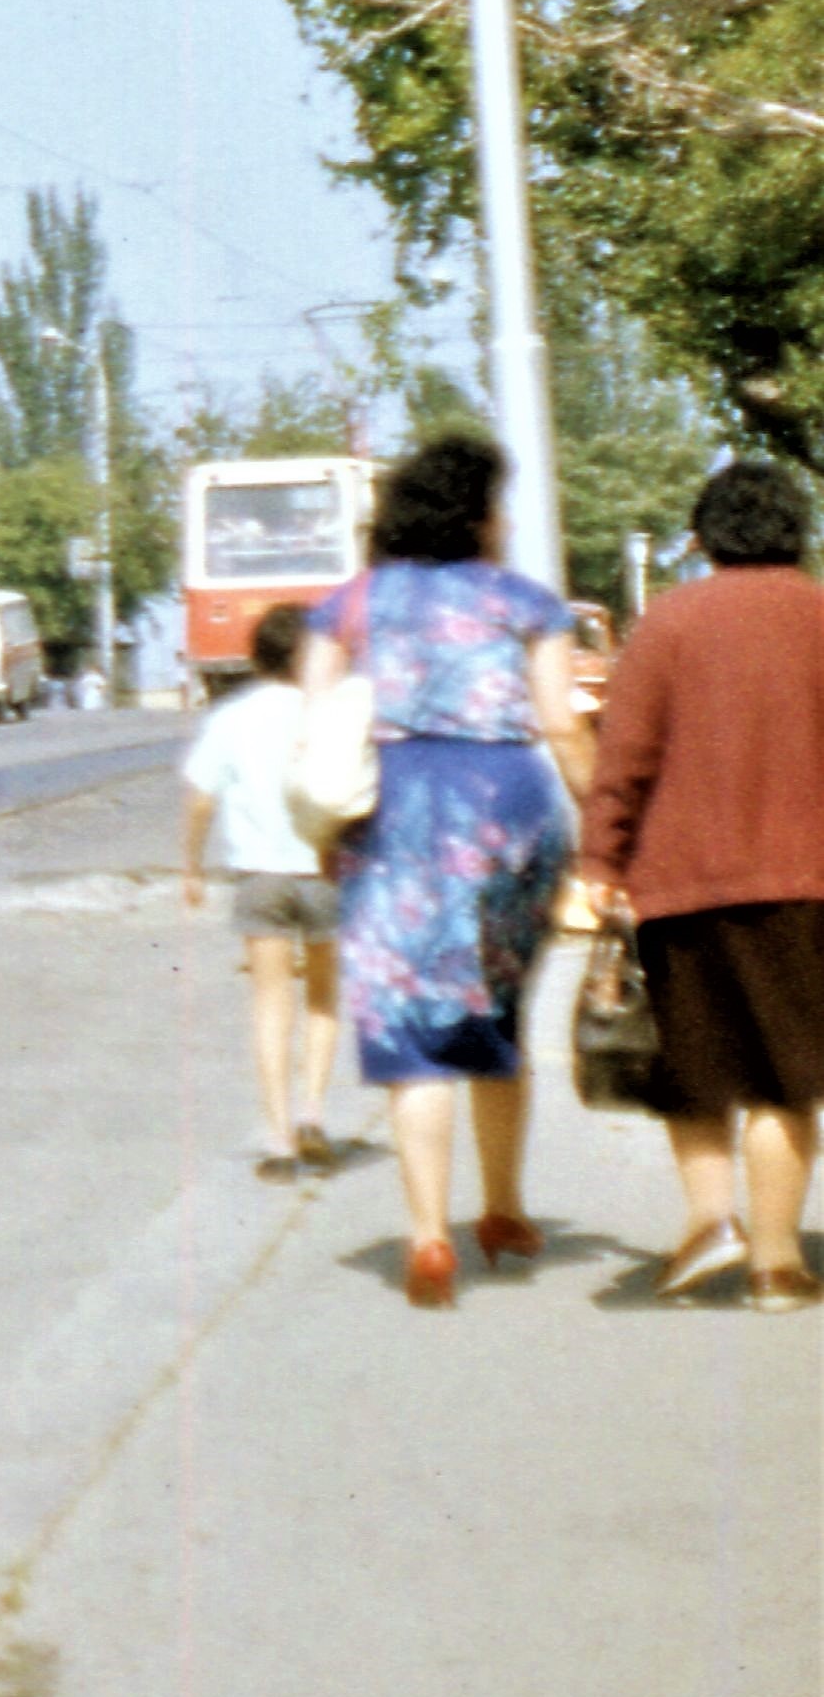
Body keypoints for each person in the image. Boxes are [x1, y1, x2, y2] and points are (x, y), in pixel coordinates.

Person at [302, 433, 590, 1308]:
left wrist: (324, 836)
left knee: (408, 1022)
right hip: (506, 808)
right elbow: (562, 726)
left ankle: (430, 1236)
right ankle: (503, 1210)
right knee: (494, 1009)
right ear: (477, 515)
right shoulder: (526, 602)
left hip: (391, 812)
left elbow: (317, 733)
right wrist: (615, 819)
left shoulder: (345, 606)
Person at [577, 462, 824, 1311]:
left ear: (703, 537)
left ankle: (713, 1219)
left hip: (678, 884)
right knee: (785, 1076)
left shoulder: (668, 622)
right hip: (805, 883)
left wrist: (601, 864)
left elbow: (624, 757)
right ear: (799, 531)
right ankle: (778, 1265)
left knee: (701, 1064)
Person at [180, 603, 341, 1181]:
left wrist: (193, 867)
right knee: (324, 998)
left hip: (259, 876)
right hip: (327, 872)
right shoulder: (332, 713)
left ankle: (278, 1139)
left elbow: (201, 798)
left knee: (271, 1004)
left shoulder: (232, 717)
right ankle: (314, 1113)